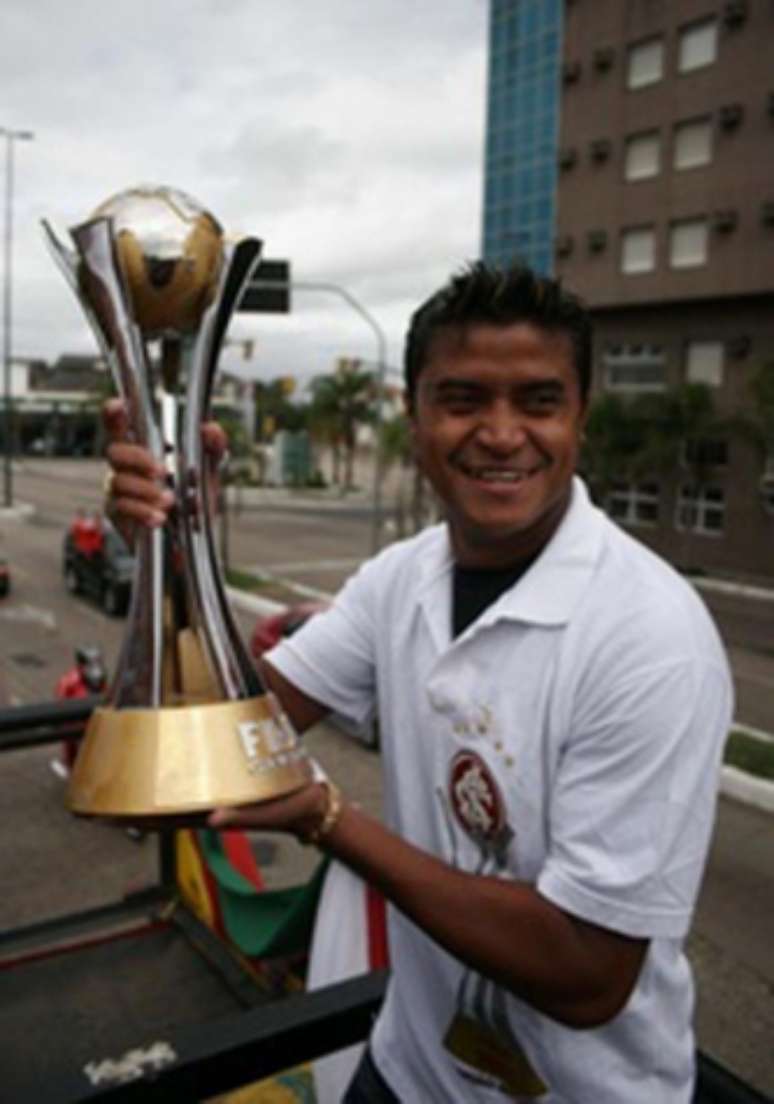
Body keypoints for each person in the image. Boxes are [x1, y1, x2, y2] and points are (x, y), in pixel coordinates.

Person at [103, 261, 732, 1103]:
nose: (502, 434)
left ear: (581, 416)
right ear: (415, 413)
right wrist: (179, 548)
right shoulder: (400, 580)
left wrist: (329, 819)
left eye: (538, 402)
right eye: (464, 399)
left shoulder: (652, 637)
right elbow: (204, 743)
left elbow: (588, 974)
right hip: (405, 1068)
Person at [51, 644, 107, 777]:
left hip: (92, 718)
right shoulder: (70, 680)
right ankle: (71, 766)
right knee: (72, 745)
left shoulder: (100, 675)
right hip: (75, 720)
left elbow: (105, 692)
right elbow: (61, 697)